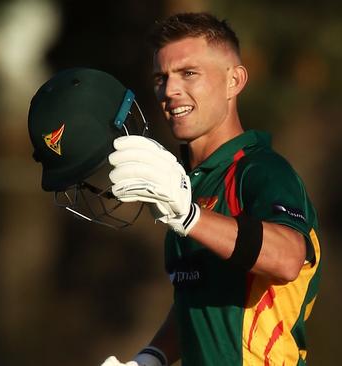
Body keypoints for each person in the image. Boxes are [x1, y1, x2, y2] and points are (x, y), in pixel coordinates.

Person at [102, 12, 322, 366]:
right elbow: (198, 300)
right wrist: (150, 359)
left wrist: (189, 217)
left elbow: (287, 259)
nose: (170, 90)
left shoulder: (263, 170)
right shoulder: (187, 185)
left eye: (189, 73)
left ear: (234, 81)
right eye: (162, 77)